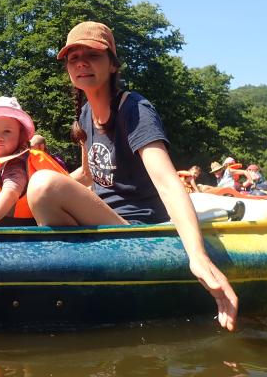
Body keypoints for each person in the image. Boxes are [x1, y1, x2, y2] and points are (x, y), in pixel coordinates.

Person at [24, 21, 237, 331]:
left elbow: (167, 182)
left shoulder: (135, 109)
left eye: (92, 55)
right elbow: (87, 174)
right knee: (39, 185)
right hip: (102, 221)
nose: (81, 63)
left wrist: (198, 256)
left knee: (43, 183)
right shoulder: (85, 114)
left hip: (135, 229)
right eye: (74, 58)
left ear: (112, 64)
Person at [0, 97, 68, 238]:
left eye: (7, 131)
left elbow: (10, 193)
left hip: (15, 234)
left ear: (20, 135)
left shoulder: (16, 163)